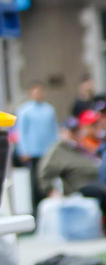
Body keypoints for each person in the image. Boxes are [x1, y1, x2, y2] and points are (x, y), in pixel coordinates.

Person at [15, 82, 59, 211]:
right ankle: (36, 209)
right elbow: (21, 131)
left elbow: (54, 130)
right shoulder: (24, 111)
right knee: (35, 181)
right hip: (34, 151)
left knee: (48, 179)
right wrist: (23, 149)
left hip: (47, 151)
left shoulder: (49, 109)